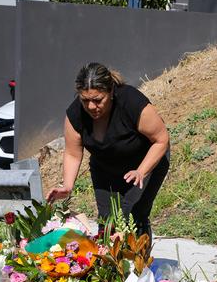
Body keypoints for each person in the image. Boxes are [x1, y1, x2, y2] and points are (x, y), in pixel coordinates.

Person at [46, 62, 170, 244]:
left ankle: (139, 269)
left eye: (97, 100)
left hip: (145, 163)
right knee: (107, 222)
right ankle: (111, 269)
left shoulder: (131, 102)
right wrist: (67, 186)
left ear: (111, 92)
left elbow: (161, 139)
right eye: (85, 100)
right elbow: (73, 153)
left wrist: (141, 171)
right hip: (105, 168)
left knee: (133, 217)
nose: (91, 106)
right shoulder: (76, 114)